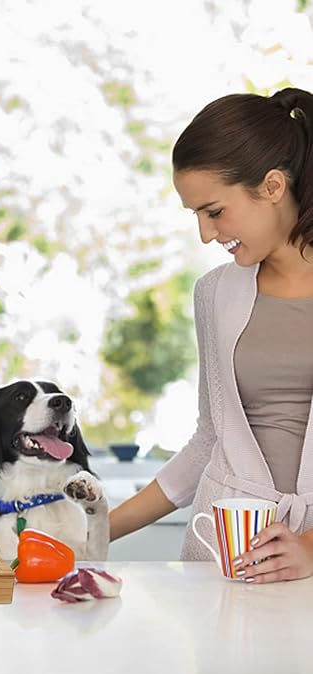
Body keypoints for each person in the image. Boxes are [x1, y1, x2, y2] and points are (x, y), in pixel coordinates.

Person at [109, 87, 313, 584]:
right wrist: (92, 531)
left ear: (271, 186)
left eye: (214, 211)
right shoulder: (216, 294)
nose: (205, 233)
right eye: (195, 215)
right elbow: (209, 440)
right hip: (223, 560)